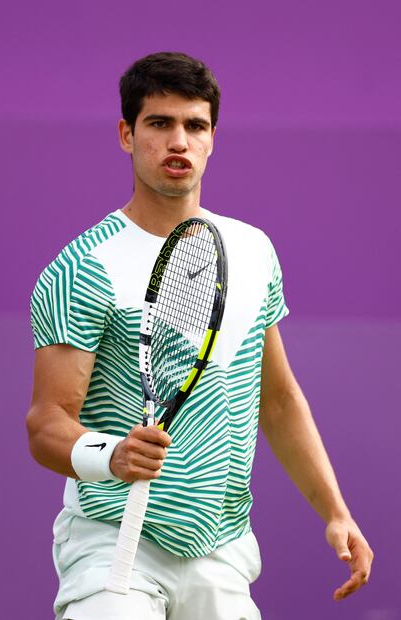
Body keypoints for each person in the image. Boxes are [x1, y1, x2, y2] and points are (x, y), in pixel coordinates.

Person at [26, 51, 373, 620]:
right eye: (159, 124)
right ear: (126, 134)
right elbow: (46, 424)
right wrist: (110, 454)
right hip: (115, 547)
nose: (179, 142)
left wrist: (336, 511)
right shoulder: (84, 267)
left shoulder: (253, 251)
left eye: (195, 125)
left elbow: (279, 400)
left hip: (223, 549)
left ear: (213, 137)